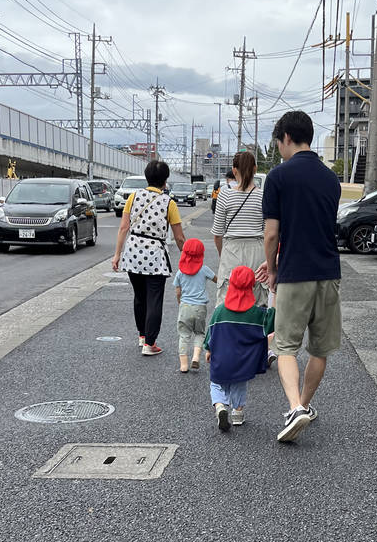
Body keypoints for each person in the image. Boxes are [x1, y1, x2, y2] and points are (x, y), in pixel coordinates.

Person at [261, 110, 341, 443]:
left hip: (294, 274)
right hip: (328, 273)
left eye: (279, 141)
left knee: (286, 347)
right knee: (320, 349)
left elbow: (270, 234)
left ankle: (295, 407)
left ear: (287, 138)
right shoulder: (331, 179)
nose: (279, 147)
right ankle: (304, 407)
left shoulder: (278, 177)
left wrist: (273, 268)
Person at [112, 159, 186, 355]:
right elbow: (179, 237)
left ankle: (142, 335)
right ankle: (150, 344)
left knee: (139, 296)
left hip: (133, 251)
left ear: (146, 177)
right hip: (155, 255)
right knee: (154, 299)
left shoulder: (133, 197)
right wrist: (188, 258)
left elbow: (123, 228)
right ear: (165, 180)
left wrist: (117, 254)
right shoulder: (169, 203)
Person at [204, 264, 275, 432]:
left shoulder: (220, 311)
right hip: (243, 361)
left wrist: (208, 350)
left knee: (216, 384)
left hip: (220, 359)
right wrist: (274, 288)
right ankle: (237, 414)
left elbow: (211, 334)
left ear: (230, 285)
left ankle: (221, 406)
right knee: (239, 384)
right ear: (252, 286)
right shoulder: (256, 313)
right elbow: (273, 318)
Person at [211, 151, 267, 307]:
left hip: (231, 250)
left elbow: (217, 234)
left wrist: (224, 254)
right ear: (255, 169)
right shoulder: (263, 196)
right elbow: (267, 231)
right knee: (257, 301)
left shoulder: (224, 195)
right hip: (257, 250)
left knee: (228, 301)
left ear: (234, 170)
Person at [173, 237, 216, 372]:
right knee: (199, 333)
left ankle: (183, 365)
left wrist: (180, 302)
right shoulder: (204, 270)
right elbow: (217, 280)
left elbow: (178, 292)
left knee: (184, 335)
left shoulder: (180, 272)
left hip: (185, 306)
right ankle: (196, 357)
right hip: (200, 307)